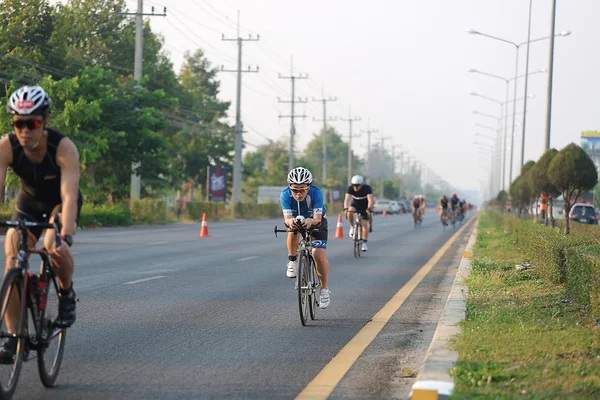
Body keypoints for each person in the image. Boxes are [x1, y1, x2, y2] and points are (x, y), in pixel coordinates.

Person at [0, 86, 81, 361]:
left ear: (45, 121)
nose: (25, 130)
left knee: (53, 245)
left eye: (32, 123)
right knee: (11, 258)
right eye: (18, 123)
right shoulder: (5, 147)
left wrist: (65, 235)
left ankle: (67, 294)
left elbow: (69, 196)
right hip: (28, 203)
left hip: (59, 204)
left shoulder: (63, 148)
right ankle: (12, 338)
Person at [280, 167, 331, 309]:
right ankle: (293, 261)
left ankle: (324, 290)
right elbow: (287, 219)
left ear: (309, 187)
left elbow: (317, 219)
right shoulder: (285, 195)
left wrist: (310, 221)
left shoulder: (316, 193)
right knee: (292, 229)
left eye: (302, 189)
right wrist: (292, 222)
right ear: (290, 187)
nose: (298, 193)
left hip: (316, 222)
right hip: (297, 220)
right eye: (295, 189)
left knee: (318, 255)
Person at [343, 175, 374, 252]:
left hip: (364, 206)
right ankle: (352, 227)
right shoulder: (350, 189)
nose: (355, 187)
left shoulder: (367, 188)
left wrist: (369, 208)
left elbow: (370, 200)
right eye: (354, 185)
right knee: (350, 211)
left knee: (364, 224)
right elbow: (347, 199)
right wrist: (346, 208)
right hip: (355, 204)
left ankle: (364, 243)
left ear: (361, 185)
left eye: (357, 186)